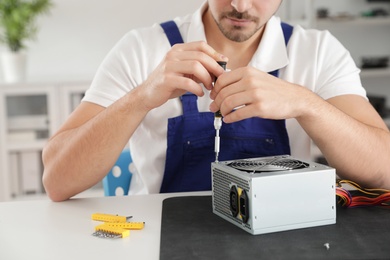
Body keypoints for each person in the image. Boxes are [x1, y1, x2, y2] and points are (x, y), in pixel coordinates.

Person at [42, 0, 390, 202]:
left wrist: (305, 103)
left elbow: (383, 170)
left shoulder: (317, 51)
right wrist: (141, 98)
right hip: (160, 239)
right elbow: (56, 180)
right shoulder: (141, 48)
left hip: (282, 239)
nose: (240, 4)